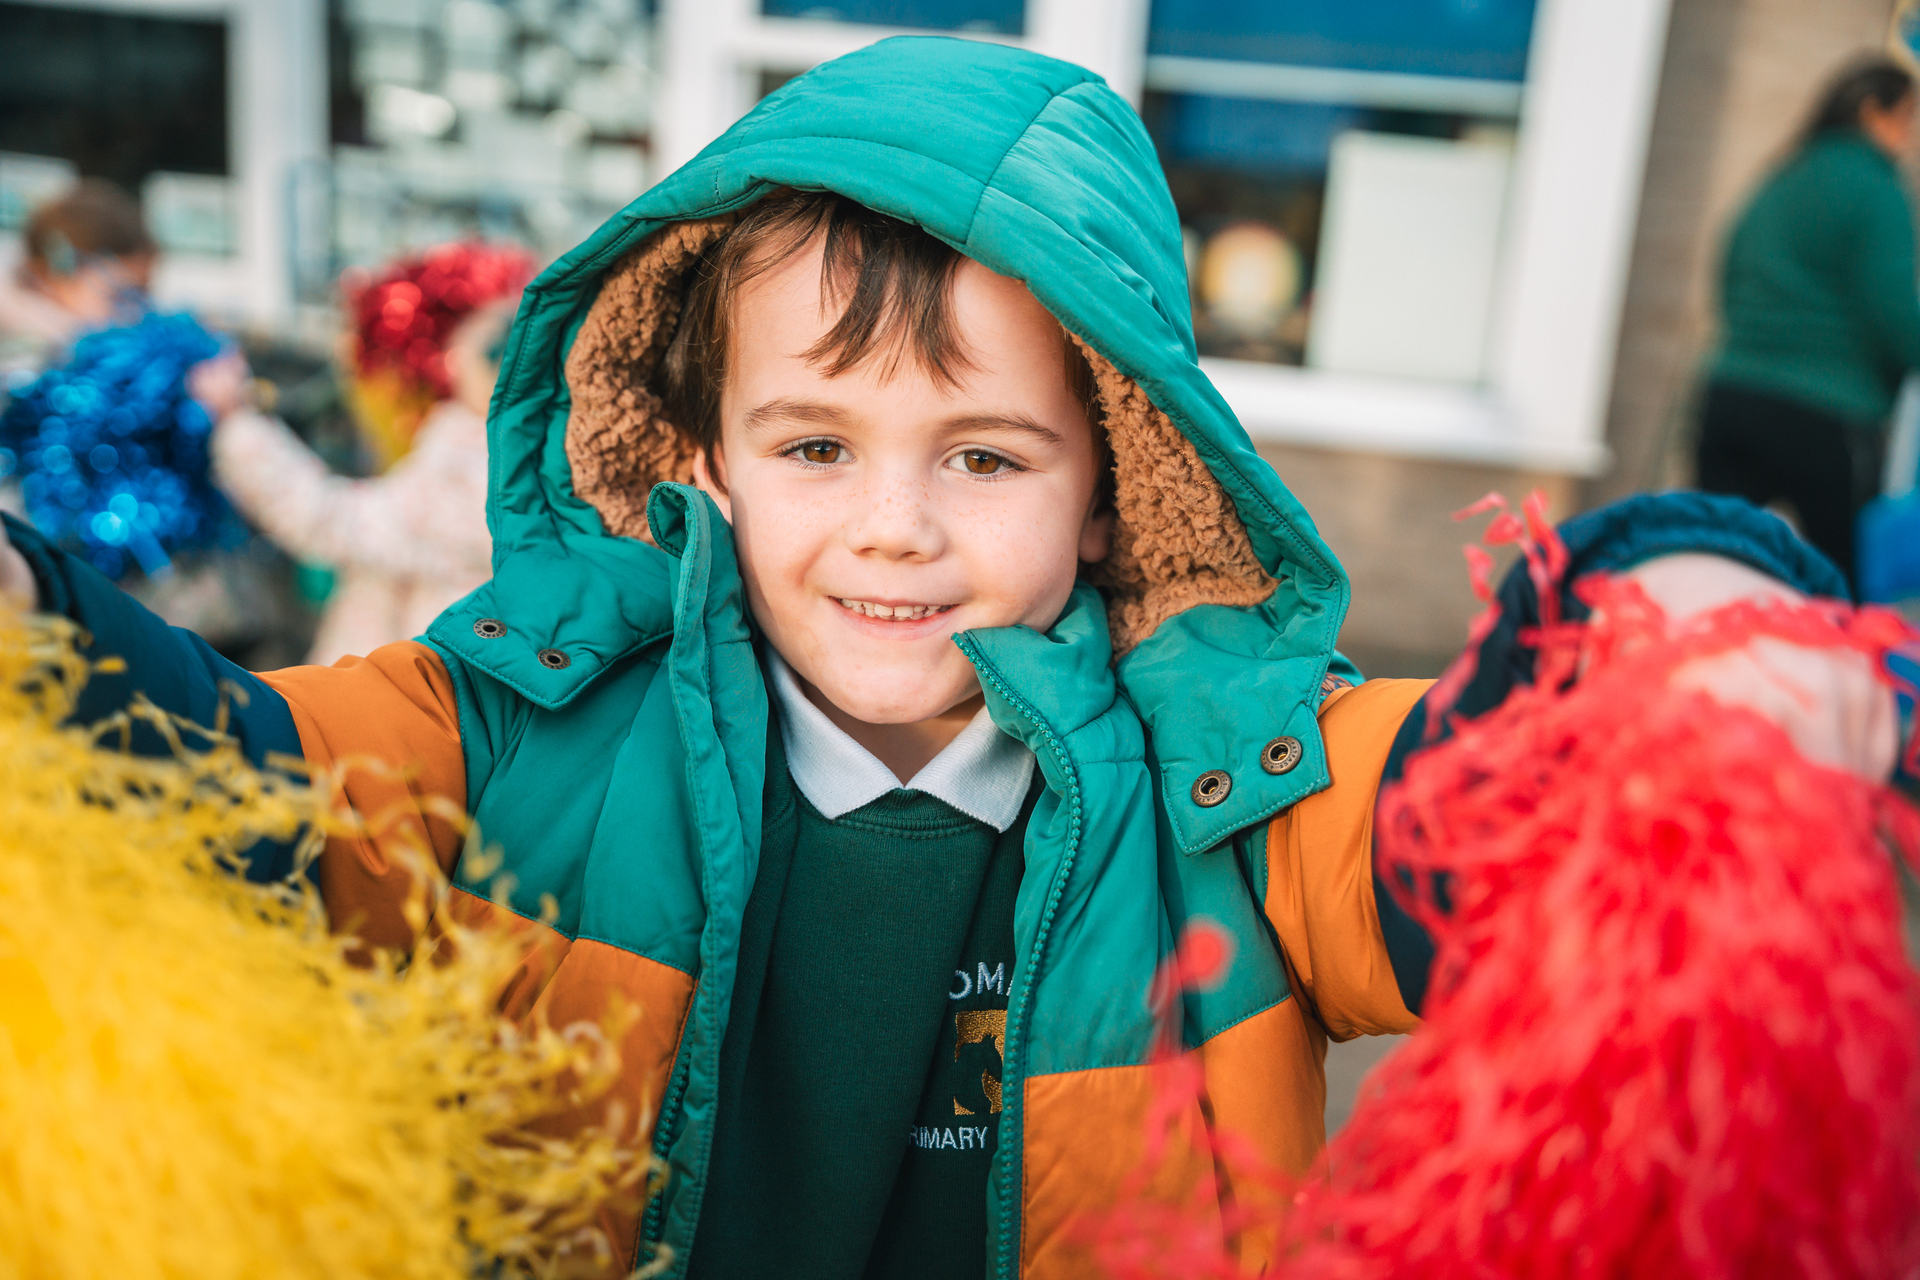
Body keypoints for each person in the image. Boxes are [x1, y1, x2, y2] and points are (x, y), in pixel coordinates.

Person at [0, 38, 1895, 1280]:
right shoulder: (513, 731)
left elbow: (1478, 792)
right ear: (708, 462)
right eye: (816, 446)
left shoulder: (1231, 791)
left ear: (1105, 496)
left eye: (983, 458)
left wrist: (1683, 630)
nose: (893, 526)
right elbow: (223, 772)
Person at [193, 244, 534, 664]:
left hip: (412, 701)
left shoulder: (481, 472)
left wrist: (236, 424)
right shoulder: (505, 460)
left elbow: (332, 520)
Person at [1696, 56, 1920, 596]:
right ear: (1874, 112)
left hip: (1731, 397)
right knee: (1836, 590)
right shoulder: (1874, 188)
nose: (1911, 136)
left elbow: (1729, 272)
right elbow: (1894, 311)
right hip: (1825, 414)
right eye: (1908, 118)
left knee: (1715, 569)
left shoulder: (1781, 174)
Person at [0, 179, 155, 378]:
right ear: (55, 274)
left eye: (141, 296)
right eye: (122, 296)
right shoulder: (32, 358)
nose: (135, 314)